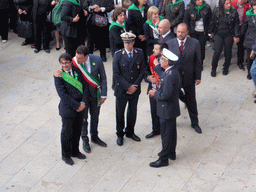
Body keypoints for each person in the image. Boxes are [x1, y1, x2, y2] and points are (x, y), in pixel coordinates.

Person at [167, 23, 203, 133]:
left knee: (191, 101)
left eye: (182, 32)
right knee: (173, 100)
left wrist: (198, 76)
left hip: (189, 77)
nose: (180, 34)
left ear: (187, 32)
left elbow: (198, 61)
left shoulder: (195, 43)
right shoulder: (169, 43)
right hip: (175, 78)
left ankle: (195, 123)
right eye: (178, 32)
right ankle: (172, 122)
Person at [54, 53, 88, 165]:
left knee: (77, 130)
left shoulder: (77, 71)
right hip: (68, 109)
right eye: (62, 63)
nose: (64, 65)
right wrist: (77, 105)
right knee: (66, 133)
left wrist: (83, 102)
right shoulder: (59, 76)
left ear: (70, 62)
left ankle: (75, 151)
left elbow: (84, 87)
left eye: (66, 62)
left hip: (80, 107)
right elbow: (63, 95)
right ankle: (65, 155)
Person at [148, 48, 180, 168]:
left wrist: (154, 93)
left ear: (166, 62)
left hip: (166, 109)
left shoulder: (168, 76)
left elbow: (165, 95)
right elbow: (163, 76)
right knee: (172, 132)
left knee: (166, 135)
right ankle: (171, 153)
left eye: (161, 59)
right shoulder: (172, 72)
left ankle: (163, 158)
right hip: (172, 109)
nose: (159, 61)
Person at [113, 32, 146, 146]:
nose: (127, 45)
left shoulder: (139, 53)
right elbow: (117, 75)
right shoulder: (118, 55)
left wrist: (134, 86)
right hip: (122, 90)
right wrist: (128, 87)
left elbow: (142, 71)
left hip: (135, 89)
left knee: (132, 112)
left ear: (133, 42)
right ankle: (119, 134)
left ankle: (130, 132)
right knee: (120, 113)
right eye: (125, 43)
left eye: (129, 42)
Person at [209, 0, 240, 77]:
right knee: (217, 51)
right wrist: (210, 32)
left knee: (228, 52)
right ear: (222, 4)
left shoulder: (234, 12)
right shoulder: (216, 10)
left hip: (229, 34)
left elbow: (236, 24)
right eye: (227, 4)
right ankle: (213, 68)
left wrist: (236, 35)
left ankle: (226, 67)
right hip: (218, 34)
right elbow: (212, 21)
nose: (229, 5)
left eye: (229, 3)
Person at [145, 42, 168, 139]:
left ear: (162, 52)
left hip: (162, 91)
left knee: (163, 113)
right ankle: (155, 130)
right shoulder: (151, 58)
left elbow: (166, 76)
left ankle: (165, 132)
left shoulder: (167, 61)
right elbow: (146, 70)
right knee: (154, 111)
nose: (153, 50)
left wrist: (158, 66)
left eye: (156, 49)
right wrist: (148, 77)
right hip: (153, 89)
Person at [183, 0, 212, 68]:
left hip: (203, 32)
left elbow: (210, 20)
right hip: (193, 31)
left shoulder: (207, 7)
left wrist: (210, 32)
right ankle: (193, 62)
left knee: (201, 48)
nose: (201, 1)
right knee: (193, 48)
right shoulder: (189, 8)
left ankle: (200, 63)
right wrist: (187, 32)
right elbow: (186, 20)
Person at [231, 0, 250, 70]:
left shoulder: (247, 6)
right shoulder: (232, 3)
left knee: (240, 46)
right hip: (231, 26)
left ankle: (240, 62)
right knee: (229, 44)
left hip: (241, 26)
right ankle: (227, 60)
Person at [241, 0, 256, 79]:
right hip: (249, 39)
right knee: (249, 57)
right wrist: (239, 35)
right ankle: (249, 72)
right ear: (252, 6)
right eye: (254, 5)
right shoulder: (248, 14)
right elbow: (245, 25)